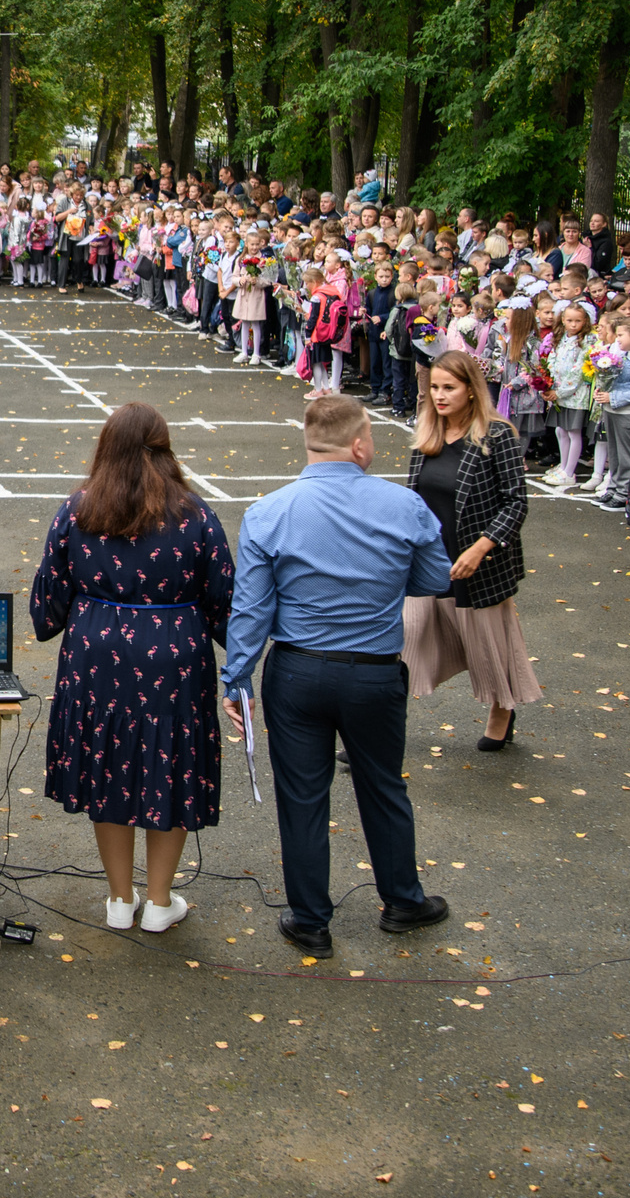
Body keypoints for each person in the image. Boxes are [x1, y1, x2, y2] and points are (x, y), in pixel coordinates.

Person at [223, 394, 454, 958]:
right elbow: (433, 579)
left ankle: (309, 920)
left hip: (297, 671)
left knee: (302, 797)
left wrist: (236, 679)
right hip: (373, 674)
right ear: (358, 445)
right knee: (383, 786)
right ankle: (402, 899)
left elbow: (252, 610)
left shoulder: (269, 511)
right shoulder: (405, 506)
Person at [30, 402, 233, 933]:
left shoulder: (77, 509)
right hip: (175, 657)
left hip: (97, 657)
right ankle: (160, 901)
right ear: (164, 449)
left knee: (109, 765)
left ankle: (121, 899)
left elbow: (46, 607)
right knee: (173, 764)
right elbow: (226, 603)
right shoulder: (196, 515)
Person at [402, 351, 538, 750]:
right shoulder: (427, 433)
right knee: (401, 646)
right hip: (429, 562)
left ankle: (501, 711)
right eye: (434, 388)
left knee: (490, 650)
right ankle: (380, 727)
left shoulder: (497, 436)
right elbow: (415, 502)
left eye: (449, 388)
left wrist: (482, 547)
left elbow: (517, 502)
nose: (439, 396)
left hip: (479, 566)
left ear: (472, 391)